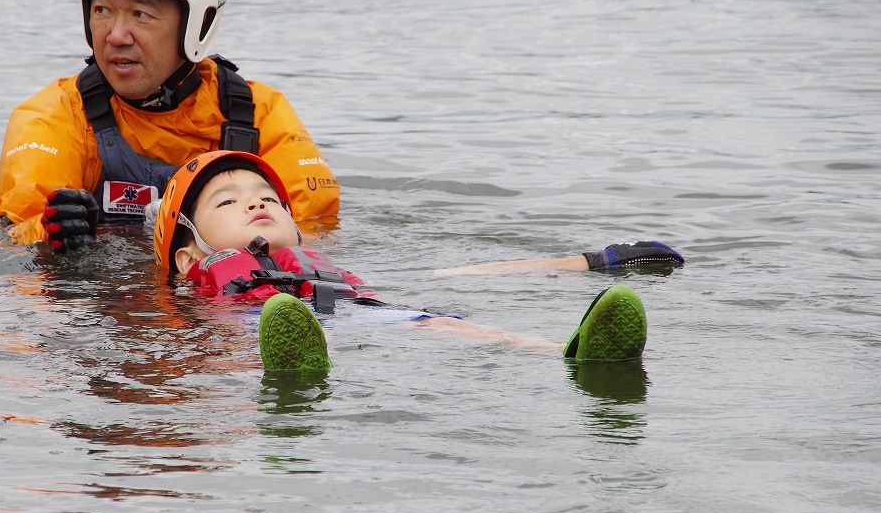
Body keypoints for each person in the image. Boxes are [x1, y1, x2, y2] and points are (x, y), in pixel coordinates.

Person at [0, 0, 340, 253]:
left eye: (141, 14)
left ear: (195, 23)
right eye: (102, 10)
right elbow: (15, 238)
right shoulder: (54, 115)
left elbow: (314, 235)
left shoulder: (259, 116)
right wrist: (52, 237)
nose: (115, 35)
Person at [152, 150, 654, 371]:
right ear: (187, 255)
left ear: (295, 227)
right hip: (251, 329)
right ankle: (295, 366)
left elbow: (458, 275)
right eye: (227, 202)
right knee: (258, 342)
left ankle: (570, 353)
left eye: (268, 198)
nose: (256, 204)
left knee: (447, 326)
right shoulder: (192, 292)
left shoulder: (321, 267)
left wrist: (593, 261)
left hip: (358, 314)